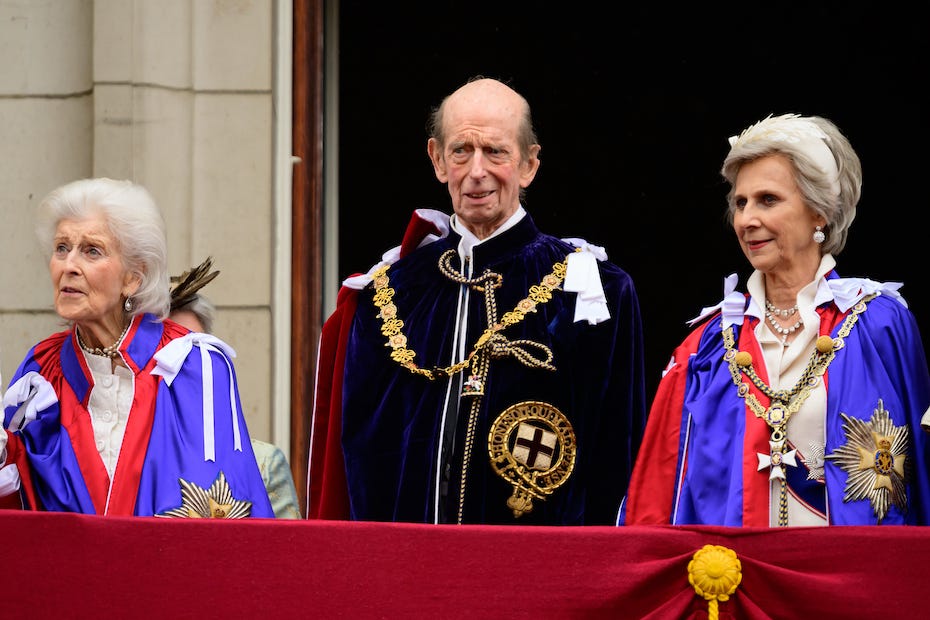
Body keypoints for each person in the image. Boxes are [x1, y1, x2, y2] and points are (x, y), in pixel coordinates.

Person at [309, 76, 647, 525]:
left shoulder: (593, 291)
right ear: (437, 159)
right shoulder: (386, 296)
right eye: (461, 150)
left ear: (529, 164)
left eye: (496, 152)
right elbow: (355, 469)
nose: (476, 171)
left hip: (539, 570)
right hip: (408, 571)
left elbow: (618, 460)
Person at [620, 113, 930, 527]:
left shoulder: (879, 322)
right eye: (740, 203)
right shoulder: (708, 345)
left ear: (819, 212)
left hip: (849, 577)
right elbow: (657, 494)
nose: (747, 220)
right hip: (732, 580)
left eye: (768, 200)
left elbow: (922, 474)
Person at [0, 178, 274, 517]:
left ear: (133, 277)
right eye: (61, 248)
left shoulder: (191, 364)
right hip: (69, 569)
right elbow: (19, 500)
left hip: (164, 567)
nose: (68, 265)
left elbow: (220, 508)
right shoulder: (41, 371)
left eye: (91, 250)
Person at [168, 257, 303, 519]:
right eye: (171, 349)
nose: (189, 361)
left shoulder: (263, 462)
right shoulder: (125, 458)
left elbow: (287, 555)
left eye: (197, 346)